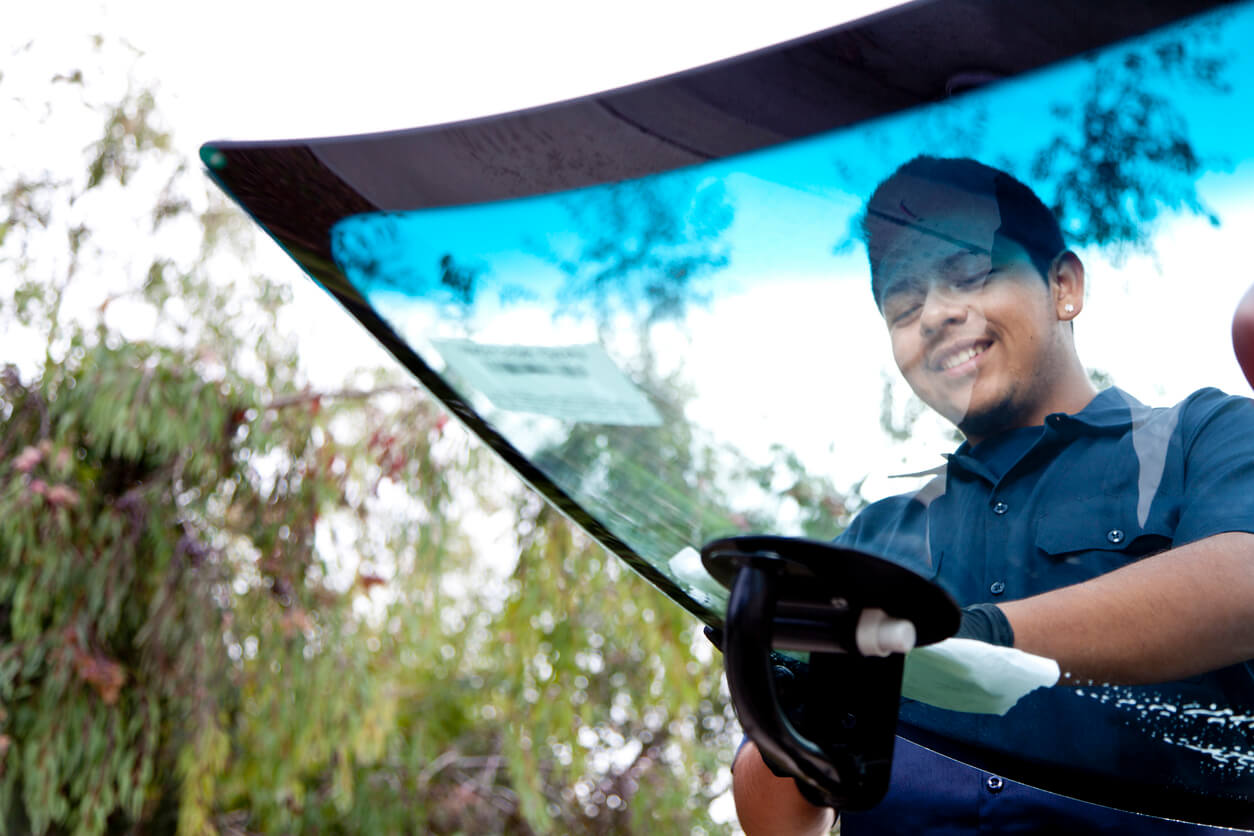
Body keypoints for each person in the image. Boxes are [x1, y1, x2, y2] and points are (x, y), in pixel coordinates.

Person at [732, 156, 1254, 834]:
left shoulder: (1205, 435)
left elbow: (1242, 583)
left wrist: (972, 645)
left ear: (1063, 286)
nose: (936, 315)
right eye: (904, 303)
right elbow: (778, 822)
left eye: (970, 274)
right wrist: (782, 702)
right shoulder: (870, 540)